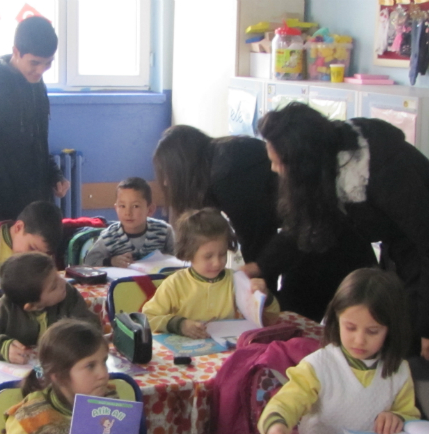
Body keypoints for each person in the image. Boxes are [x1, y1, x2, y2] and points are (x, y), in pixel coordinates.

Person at [255, 102, 429, 360]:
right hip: (403, 252)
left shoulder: (384, 170)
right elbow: (303, 224)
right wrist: (258, 267)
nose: (274, 169)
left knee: (414, 347)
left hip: (420, 253)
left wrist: (426, 326)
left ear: (303, 161)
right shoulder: (326, 162)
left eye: (279, 163)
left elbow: (424, 248)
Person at [153, 124, 376, 322]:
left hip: (328, 240)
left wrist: (259, 298)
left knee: (296, 321)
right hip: (311, 233)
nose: (165, 181)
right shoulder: (222, 156)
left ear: (182, 166)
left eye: (167, 173)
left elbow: (257, 237)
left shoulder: (226, 175)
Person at [258, 268, 421, 434]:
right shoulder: (318, 366)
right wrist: (276, 424)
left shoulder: (399, 371)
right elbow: (287, 401)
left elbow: (409, 415)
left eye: (372, 331)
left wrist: (398, 417)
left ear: (391, 329)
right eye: (350, 328)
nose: (359, 340)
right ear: (336, 319)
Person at [0, 15, 69, 225]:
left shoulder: (36, 85)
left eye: (48, 64)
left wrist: (55, 175)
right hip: (1, 213)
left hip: (36, 208)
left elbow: (37, 143)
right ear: (16, 51)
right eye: (34, 63)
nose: (40, 71)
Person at [0, 319, 118, 434]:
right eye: (90, 366)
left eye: (104, 362)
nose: (103, 374)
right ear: (58, 375)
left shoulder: (112, 402)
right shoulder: (31, 416)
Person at [142, 208, 280, 338]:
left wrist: (264, 297)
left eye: (222, 254)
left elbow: (270, 320)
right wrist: (179, 324)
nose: (217, 263)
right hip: (188, 357)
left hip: (228, 354)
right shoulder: (175, 284)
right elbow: (148, 317)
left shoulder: (236, 282)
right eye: (208, 256)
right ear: (188, 254)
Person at [0, 253, 100, 362]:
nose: (63, 283)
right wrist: (2, 347)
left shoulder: (68, 295)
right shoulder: (3, 309)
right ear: (31, 306)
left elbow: (91, 327)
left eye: (57, 276)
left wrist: (66, 338)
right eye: (53, 286)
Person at [84, 177, 174, 267]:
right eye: (122, 206)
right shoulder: (109, 236)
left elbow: (181, 258)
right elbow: (89, 261)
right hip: (123, 281)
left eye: (135, 206)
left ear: (150, 210)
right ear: (116, 208)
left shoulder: (164, 231)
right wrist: (111, 261)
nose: (128, 213)